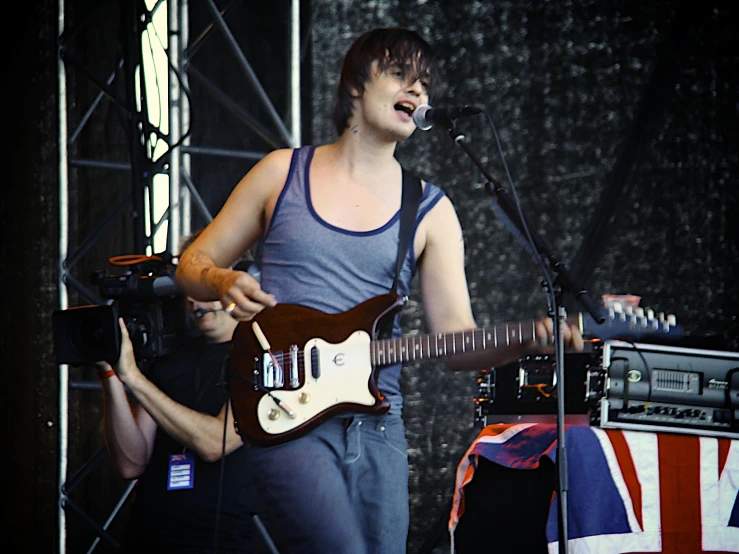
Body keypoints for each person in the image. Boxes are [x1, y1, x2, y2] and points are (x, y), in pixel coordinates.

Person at [175, 27, 584, 554]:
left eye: (425, 84)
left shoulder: (431, 210)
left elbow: (457, 343)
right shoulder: (282, 171)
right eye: (399, 74)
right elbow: (192, 265)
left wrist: (531, 338)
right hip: (282, 409)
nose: (416, 92)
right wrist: (222, 279)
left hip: (377, 421)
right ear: (353, 85)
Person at [95, 234, 262, 554]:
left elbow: (216, 442)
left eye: (208, 283)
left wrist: (134, 378)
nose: (196, 299)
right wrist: (112, 373)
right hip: (145, 532)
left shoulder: (261, 354)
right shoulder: (173, 356)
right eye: (190, 285)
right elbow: (132, 463)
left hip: (216, 538)